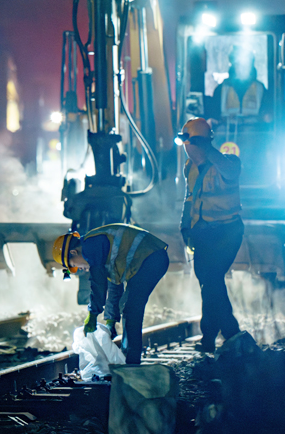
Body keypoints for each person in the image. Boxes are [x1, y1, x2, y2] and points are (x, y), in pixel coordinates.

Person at [52, 224, 169, 364]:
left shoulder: (91, 246)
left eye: (74, 264)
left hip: (151, 258)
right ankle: (129, 360)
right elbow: (114, 285)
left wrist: (93, 314)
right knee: (129, 307)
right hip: (151, 259)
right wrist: (110, 320)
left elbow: (98, 284)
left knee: (131, 309)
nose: (80, 268)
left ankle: (131, 363)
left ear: (74, 252)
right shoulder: (100, 249)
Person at [177, 117, 243, 352]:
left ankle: (230, 333)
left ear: (202, 143)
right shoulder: (190, 167)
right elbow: (190, 196)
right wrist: (185, 225)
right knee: (208, 282)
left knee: (212, 279)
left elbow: (230, 171)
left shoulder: (229, 163)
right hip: (203, 233)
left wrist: (207, 148)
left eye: (190, 143)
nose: (187, 148)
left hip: (227, 232)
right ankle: (211, 339)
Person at [210, 46, 271, 122]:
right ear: (233, 65)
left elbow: (268, 115)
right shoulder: (220, 90)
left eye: (246, 64)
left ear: (251, 65)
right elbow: (213, 116)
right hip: (226, 133)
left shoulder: (260, 89)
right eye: (238, 64)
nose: (242, 67)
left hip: (255, 132)